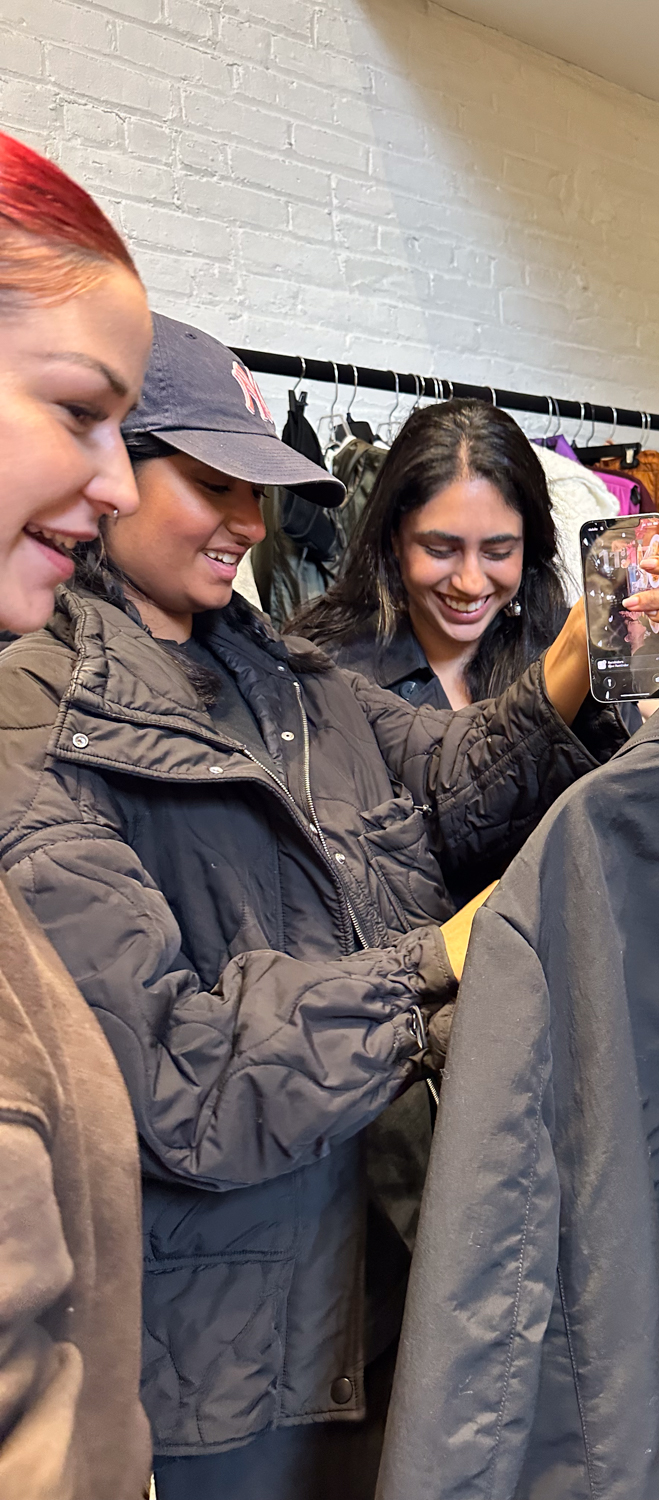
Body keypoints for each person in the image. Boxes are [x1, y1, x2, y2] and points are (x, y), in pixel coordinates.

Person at [0, 309, 659, 1500]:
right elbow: (183, 1076)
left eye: (259, 492)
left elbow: (447, 783)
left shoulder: (289, 675)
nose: (245, 522)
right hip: (236, 1341)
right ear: (110, 472)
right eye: (211, 482)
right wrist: (436, 956)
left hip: (405, 1265)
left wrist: (588, 649)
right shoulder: (36, 725)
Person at [0, 131, 153, 1497]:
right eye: (79, 412)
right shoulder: (56, 703)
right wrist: (423, 971)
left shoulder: (305, 691)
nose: (119, 482)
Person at [290, 398, 569, 709]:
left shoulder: (571, 655)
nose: (471, 583)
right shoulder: (325, 670)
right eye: (440, 551)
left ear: (528, 545)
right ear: (394, 537)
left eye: (498, 552)